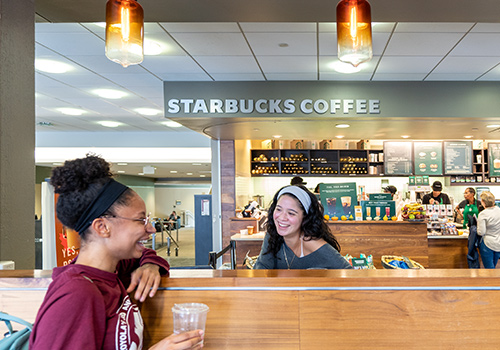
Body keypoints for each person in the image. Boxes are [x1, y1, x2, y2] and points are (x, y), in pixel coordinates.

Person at [30, 155, 203, 350]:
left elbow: (148, 255)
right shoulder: (77, 294)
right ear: (102, 227)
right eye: (140, 220)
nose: (152, 229)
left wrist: (149, 266)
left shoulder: (113, 271)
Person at [253, 184, 352, 269]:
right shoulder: (273, 234)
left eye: (291, 213)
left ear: (305, 217)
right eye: (278, 209)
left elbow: (349, 273)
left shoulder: (314, 244)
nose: (282, 218)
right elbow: (262, 267)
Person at [477, 191, 500, 268]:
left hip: (487, 244)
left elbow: (481, 232)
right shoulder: (498, 210)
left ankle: (492, 280)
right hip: (498, 243)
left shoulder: (483, 214)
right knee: (494, 266)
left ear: (483, 202)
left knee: (489, 269)